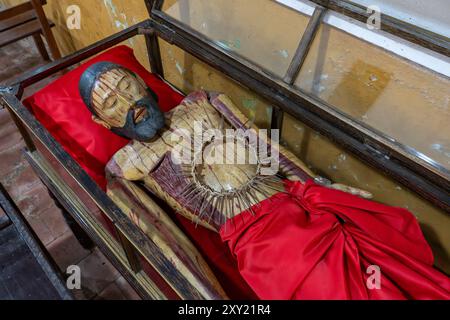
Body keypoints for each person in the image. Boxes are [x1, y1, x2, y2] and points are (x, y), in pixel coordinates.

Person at [80, 62, 450, 299]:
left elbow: (263, 145)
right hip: (263, 246)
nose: (127, 102)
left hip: (300, 203)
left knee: (388, 271)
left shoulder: (201, 102)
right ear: (103, 123)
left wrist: (319, 185)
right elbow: (166, 243)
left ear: (141, 83)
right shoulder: (125, 168)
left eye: (126, 87)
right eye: (110, 102)